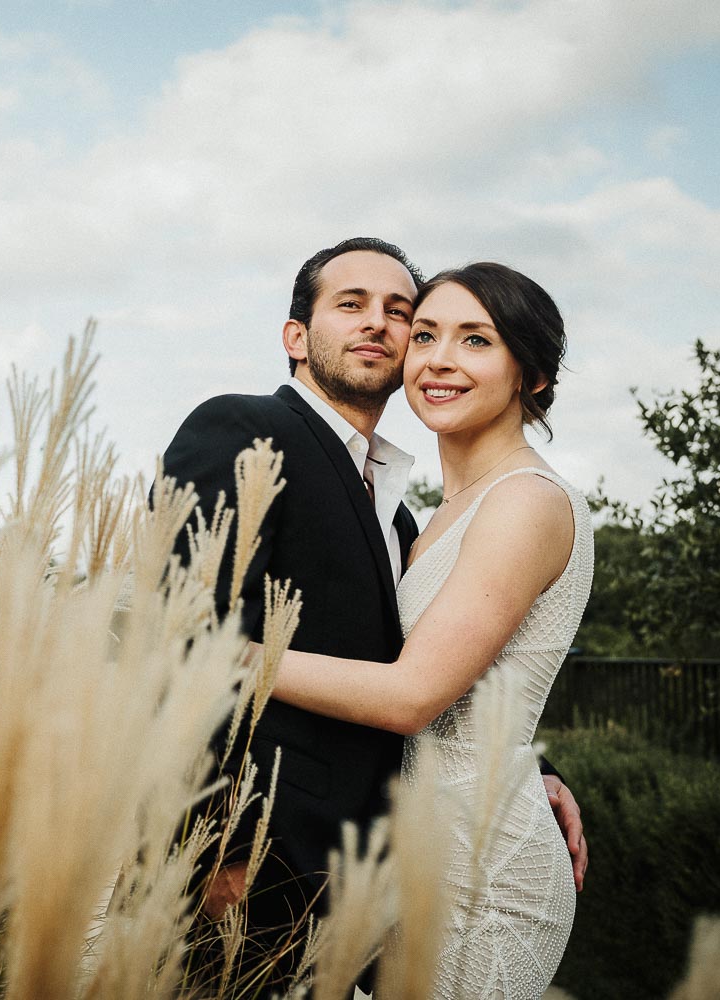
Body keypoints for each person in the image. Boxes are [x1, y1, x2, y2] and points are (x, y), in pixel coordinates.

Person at [157, 240, 586, 985]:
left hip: (406, 865)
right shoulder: (243, 429)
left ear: (533, 376)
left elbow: (419, 684)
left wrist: (518, 767)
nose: (385, 328)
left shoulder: (409, 520)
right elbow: (180, 642)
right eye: (350, 304)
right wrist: (208, 843)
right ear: (296, 336)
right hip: (258, 864)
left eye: (400, 313)